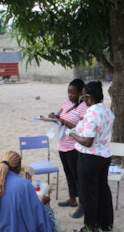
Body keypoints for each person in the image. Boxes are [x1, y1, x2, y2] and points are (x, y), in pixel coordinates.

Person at [0, 151, 59, 232]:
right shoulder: (25, 184)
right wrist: (42, 202)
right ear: (18, 168)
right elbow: (37, 214)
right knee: (46, 210)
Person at [68, 81, 115, 232]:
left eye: (83, 97)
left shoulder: (92, 114)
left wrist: (72, 134)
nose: (82, 100)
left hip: (89, 158)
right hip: (104, 155)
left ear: (89, 97)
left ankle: (91, 228)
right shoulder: (106, 110)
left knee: (89, 194)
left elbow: (87, 142)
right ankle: (106, 223)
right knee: (103, 190)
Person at [48, 79, 88, 219]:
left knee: (78, 176)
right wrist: (54, 116)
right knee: (68, 174)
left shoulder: (84, 107)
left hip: (73, 145)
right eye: (69, 92)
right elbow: (60, 114)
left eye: (73, 93)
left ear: (81, 93)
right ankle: (72, 199)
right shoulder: (67, 102)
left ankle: (82, 206)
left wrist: (63, 122)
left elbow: (80, 127)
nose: (70, 95)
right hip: (62, 144)